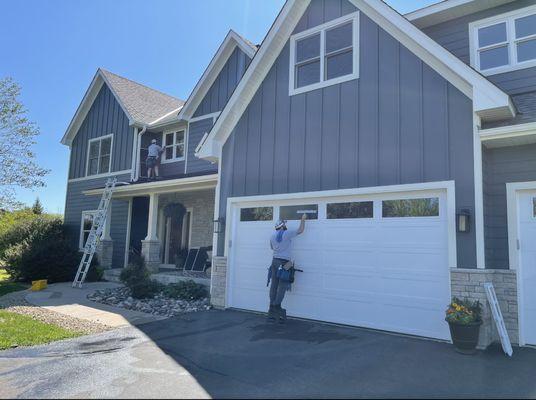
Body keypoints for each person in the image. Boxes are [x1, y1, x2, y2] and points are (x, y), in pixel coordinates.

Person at [267, 213, 307, 322]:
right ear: (282, 226)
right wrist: (303, 219)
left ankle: (271, 307)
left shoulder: (272, 236)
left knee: (274, 285)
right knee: (282, 286)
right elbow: (300, 230)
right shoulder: (287, 233)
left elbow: (272, 247)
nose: (286, 226)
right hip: (284, 263)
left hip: (274, 261)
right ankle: (277, 306)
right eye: (284, 224)